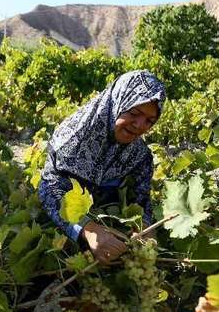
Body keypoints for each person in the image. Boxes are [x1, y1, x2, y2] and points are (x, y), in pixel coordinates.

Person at [38, 70, 166, 265]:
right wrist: (89, 230)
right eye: (134, 113)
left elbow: (141, 199)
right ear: (116, 103)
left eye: (149, 120)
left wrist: (145, 228)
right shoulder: (72, 138)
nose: (140, 125)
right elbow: (50, 188)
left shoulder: (140, 156)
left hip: (111, 225)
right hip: (67, 227)